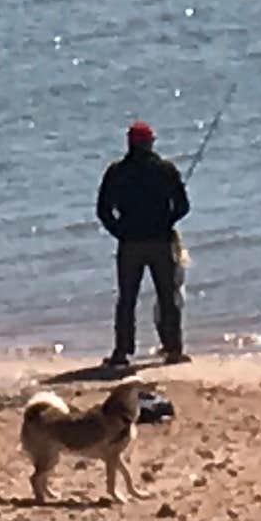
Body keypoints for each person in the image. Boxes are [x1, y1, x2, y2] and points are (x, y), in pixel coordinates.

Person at [95, 120, 191, 367]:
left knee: (127, 299)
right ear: (149, 143)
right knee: (167, 297)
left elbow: (103, 210)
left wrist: (119, 231)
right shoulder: (165, 170)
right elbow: (183, 206)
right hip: (160, 241)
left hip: (130, 244)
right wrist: (166, 223)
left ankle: (122, 352)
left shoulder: (116, 172)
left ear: (130, 143)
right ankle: (173, 349)